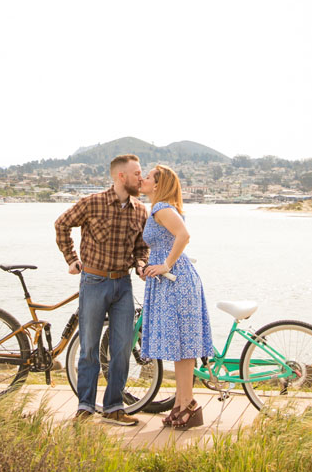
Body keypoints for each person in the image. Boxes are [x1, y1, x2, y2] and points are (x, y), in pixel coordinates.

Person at [55, 154, 149, 426]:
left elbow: (141, 248)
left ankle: (113, 407)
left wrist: (141, 264)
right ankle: (84, 406)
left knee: (121, 349)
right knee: (89, 349)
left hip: (124, 285)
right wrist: (71, 259)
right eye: (136, 174)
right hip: (94, 283)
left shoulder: (141, 211)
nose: (140, 179)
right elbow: (61, 224)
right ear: (121, 176)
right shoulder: (92, 203)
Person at [140, 164, 213, 429]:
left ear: (158, 184)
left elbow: (184, 236)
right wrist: (151, 266)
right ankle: (183, 404)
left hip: (176, 280)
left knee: (182, 344)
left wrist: (166, 265)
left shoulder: (162, 209)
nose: (143, 180)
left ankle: (187, 404)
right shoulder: (161, 208)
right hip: (172, 280)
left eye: (148, 177)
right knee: (182, 346)